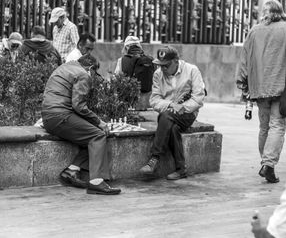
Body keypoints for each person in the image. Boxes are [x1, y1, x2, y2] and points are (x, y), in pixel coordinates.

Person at [236, 0, 286, 183]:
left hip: (259, 87)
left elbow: (244, 57)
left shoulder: (254, 30)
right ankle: (268, 165)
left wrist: (242, 81)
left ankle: (266, 164)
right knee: (277, 125)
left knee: (264, 127)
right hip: (282, 86)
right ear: (281, 11)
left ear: (265, 12)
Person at [41, 53, 121, 195]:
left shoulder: (64, 68)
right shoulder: (83, 74)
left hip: (48, 118)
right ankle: (96, 182)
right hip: (61, 116)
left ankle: (72, 170)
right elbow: (78, 105)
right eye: (94, 73)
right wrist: (99, 121)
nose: (94, 77)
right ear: (90, 68)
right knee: (97, 135)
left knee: (89, 137)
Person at [139, 46, 205, 180]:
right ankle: (181, 169)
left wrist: (182, 107)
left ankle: (154, 158)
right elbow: (154, 100)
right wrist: (170, 105)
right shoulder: (158, 74)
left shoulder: (192, 70)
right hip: (167, 113)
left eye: (166, 65)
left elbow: (198, 98)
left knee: (166, 116)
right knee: (172, 127)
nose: (163, 69)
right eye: (160, 65)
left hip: (187, 113)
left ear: (176, 61)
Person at [114, 35, 155, 109]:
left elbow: (116, 80)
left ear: (126, 47)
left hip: (130, 103)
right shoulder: (150, 60)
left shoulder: (122, 60)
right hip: (148, 103)